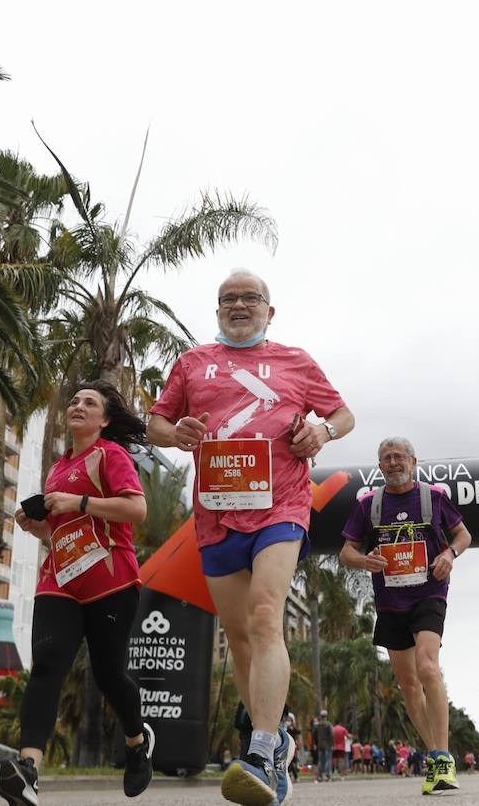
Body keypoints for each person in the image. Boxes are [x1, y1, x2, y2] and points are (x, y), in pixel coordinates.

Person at [149, 269, 354, 806]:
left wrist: (322, 431)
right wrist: (178, 433)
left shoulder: (296, 361)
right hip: (216, 513)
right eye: (228, 299)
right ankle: (277, 738)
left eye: (249, 298)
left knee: (267, 614)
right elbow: (155, 425)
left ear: (269, 309)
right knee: (238, 637)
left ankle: (260, 749)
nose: (238, 305)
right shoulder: (191, 364)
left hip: (282, 503)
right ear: (218, 310)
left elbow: (343, 413)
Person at [0, 380, 155, 804]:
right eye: (75, 401)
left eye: (90, 403)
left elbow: (136, 508)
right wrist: (38, 526)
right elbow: (60, 533)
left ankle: (138, 745)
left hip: (110, 581)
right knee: (46, 666)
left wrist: (79, 503)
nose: (78, 406)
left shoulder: (110, 455)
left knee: (107, 675)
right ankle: (28, 770)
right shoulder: (58, 468)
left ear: (104, 419)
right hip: (59, 580)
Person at [339, 437, 472, 796]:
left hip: (429, 593)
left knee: (428, 666)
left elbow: (463, 535)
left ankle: (443, 758)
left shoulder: (434, 498)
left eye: (400, 457)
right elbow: (346, 552)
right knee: (409, 684)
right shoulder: (369, 505)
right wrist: (364, 559)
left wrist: (450, 555)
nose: (394, 462)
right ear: (380, 466)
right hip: (389, 601)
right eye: (387, 458)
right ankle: (434, 755)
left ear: (414, 461)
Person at [313, 710, 334, 782]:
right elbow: (331, 735)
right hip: (327, 744)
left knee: (320, 761)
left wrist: (315, 743)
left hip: (319, 745)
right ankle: (328, 776)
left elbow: (314, 735)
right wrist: (332, 744)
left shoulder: (317, 725)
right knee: (328, 760)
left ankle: (320, 776)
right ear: (326, 716)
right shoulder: (329, 724)